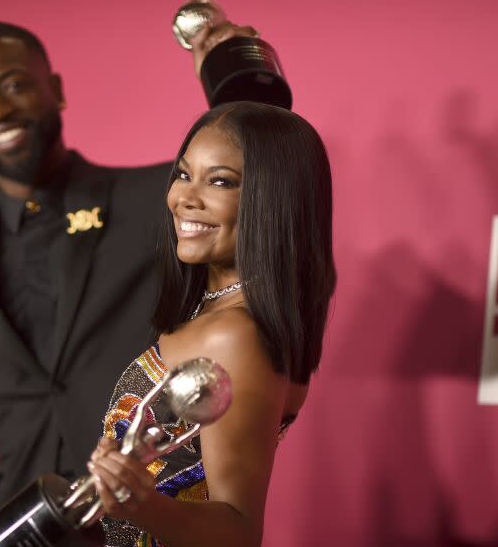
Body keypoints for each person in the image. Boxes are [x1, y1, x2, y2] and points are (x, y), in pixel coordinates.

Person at [0, 21, 258, 547]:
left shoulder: (152, 204)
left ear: (58, 90)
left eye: (14, 85)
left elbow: (257, 187)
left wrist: (239, 89)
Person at [87, 101, 336, 547]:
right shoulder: (215, 312)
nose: (184, 197)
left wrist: (140, 502)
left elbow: (238, 531)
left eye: (220, 181)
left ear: (273, 198)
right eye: (183, 174)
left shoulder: (235, 335)